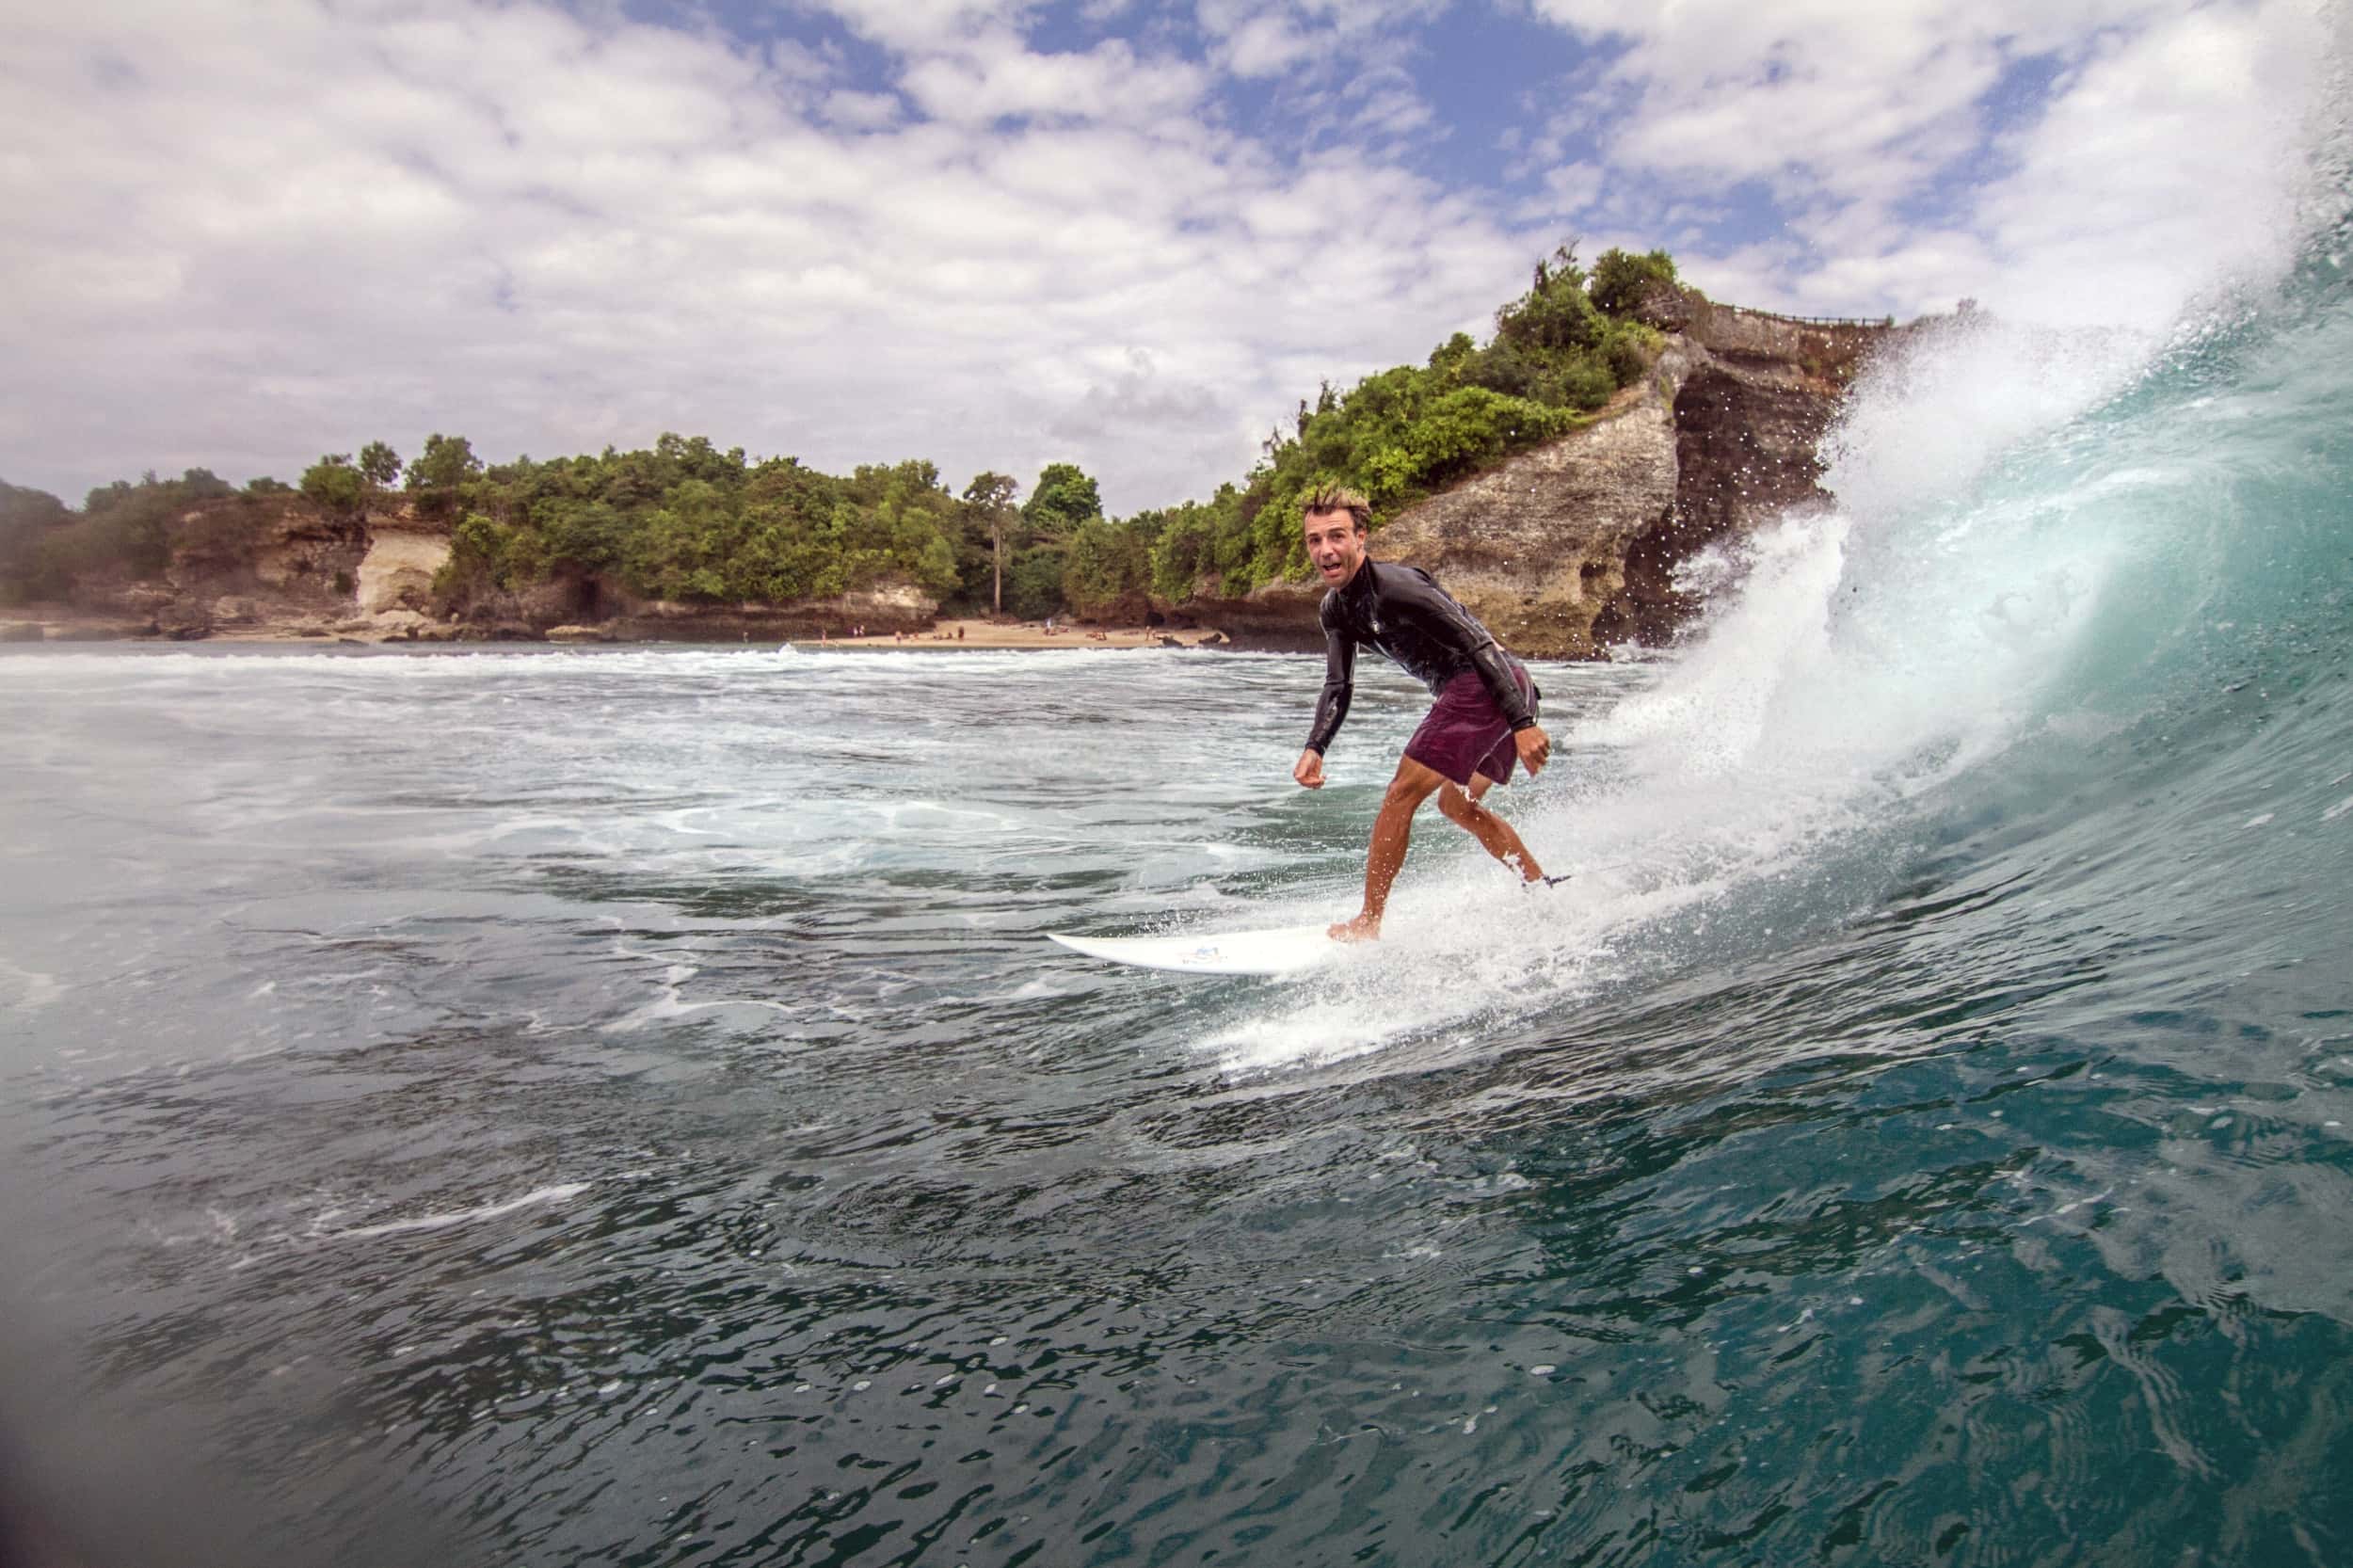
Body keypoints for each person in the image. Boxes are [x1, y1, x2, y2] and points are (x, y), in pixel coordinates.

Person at [1292, 484, 1557, 941]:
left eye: (1336, 536)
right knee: (1457, 804)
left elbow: (1478, 643)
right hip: (1501, 689)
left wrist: (1523, 725)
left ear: (1361, 537)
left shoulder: (1399, 588)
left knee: (1400, 795)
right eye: (1315, 540)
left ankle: (1369, 922)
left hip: (1485, 682)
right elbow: (1339, 684)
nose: (1325, 550)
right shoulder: (1336, 609)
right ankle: (1542, 888)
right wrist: (1316, 745)